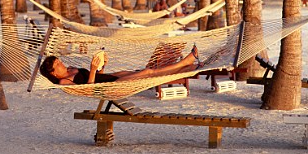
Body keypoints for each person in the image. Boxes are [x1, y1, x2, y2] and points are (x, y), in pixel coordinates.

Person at [39, 45, 199, 85]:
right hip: (111, 85)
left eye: (59, 60)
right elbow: (90, 89)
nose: (61, 63)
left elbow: (98, 77)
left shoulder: (71, 70)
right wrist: (93, 70)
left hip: (109, 77)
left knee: (146, 71)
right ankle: (186, 63)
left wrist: (101, 67)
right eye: (58, 64)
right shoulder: (64, 81)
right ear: (53, 72)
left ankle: (189, 69)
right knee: (148, 72)